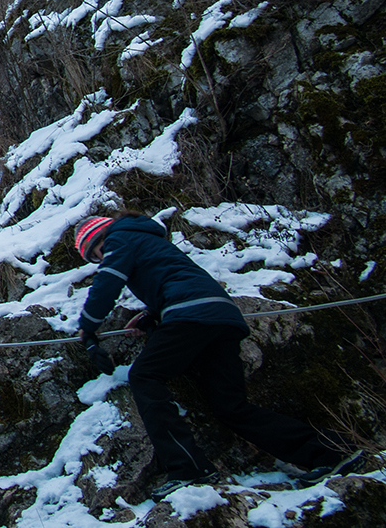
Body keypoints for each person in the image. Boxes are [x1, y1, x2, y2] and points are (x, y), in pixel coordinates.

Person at [74, 213, 366, 500]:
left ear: (100, 239)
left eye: (96, 255)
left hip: (191, 314)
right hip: (219, 315)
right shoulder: (145, 239)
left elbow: (109, 280)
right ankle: (332, 452)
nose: (100, 259)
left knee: (145, 376)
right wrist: (152, 315)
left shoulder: (119, 237)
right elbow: (174, 277)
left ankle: (188, 468)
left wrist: (87, 327)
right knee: (230, 406)